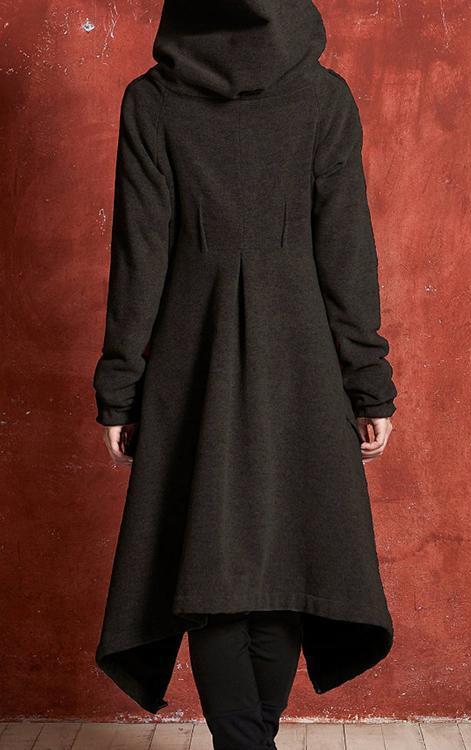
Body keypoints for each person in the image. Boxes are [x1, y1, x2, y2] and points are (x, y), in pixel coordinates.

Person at [92, 1, 398, 747]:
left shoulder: (152, 101)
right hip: (302, 360)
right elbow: (346, 252)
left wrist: (121, 390)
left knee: (212, 563)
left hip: (189, 362)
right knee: (286, 555)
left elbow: (140, 258)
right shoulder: (324, 97)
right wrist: (367, 381)